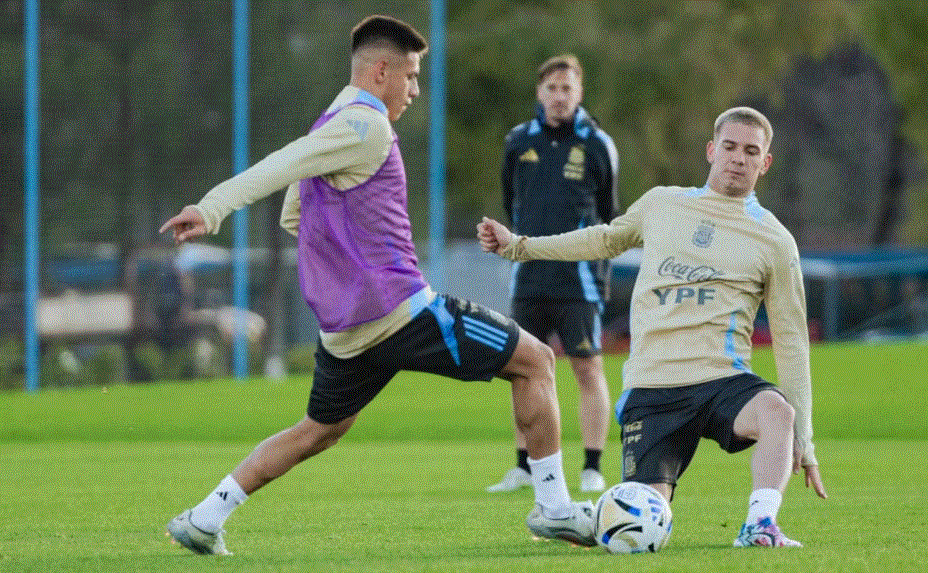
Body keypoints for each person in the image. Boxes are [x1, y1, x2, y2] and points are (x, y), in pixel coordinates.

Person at [160, 16, 595, 555]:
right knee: (535, 361)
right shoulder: (365, 126)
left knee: (317, 430)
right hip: (402, 313)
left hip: (347, 332)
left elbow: (296, 214)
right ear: (381, 71)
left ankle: (206, 517)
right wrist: (211, 208)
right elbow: (282, 165)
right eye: (410, 77)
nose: (414, 90)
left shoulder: (332, 123)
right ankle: (554, 507)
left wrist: (343, 254)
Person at [479, 106, 828, 548]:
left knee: (778, 413)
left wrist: (804, 440)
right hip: (653, 388)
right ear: (711, 150)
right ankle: (583, 519)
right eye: (730, 147)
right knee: (643, 522)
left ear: (766, 162)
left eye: (751, 151)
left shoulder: (775, 240)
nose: (738, 158)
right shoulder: (662, 203)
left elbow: (792, 340)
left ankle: (760, 526)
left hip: (722, 379)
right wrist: (520, 246)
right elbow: (602, 238)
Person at [487, 55, 618, 494]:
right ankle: (524, 466)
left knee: (587, 368)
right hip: (528, 278)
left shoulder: (597, 144)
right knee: (521, 369)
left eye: (567, 88)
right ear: (539, 92)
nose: (559, 96)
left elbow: (609, 216)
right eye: (552, 88)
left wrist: (597, 269)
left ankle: (592, 467)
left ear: (579, 93)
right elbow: (511, 203)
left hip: (579, 281)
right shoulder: (517, 141)